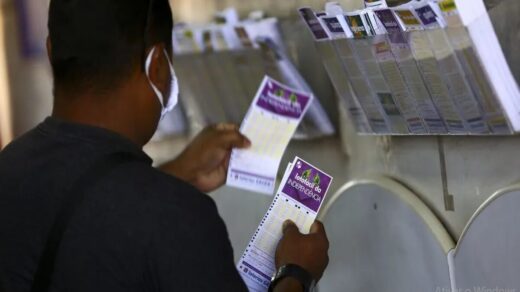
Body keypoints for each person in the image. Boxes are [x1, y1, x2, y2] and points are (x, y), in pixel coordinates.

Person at [0, 0, 330, 291]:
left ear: (50, 51)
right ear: (157, 64)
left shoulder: (10, 166)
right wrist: (296, 273)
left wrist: (174, 174)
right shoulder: (176, 218)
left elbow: (84, 214)